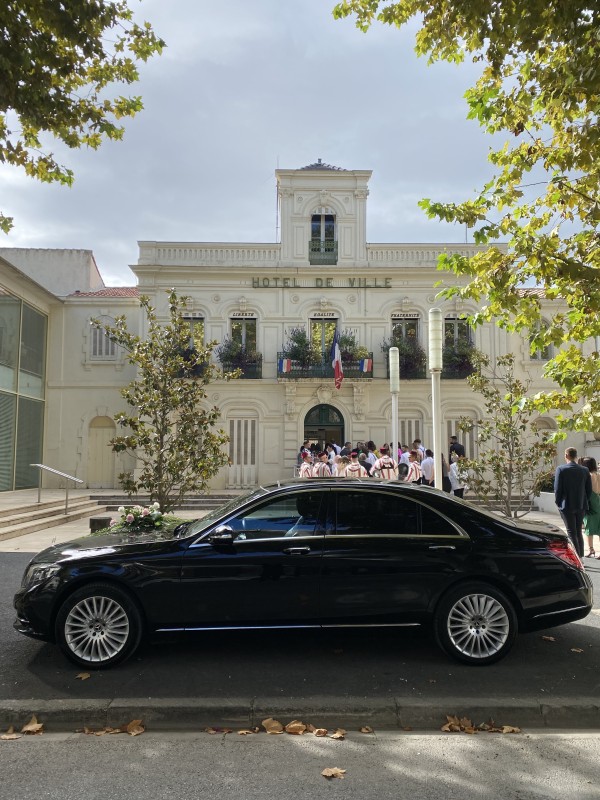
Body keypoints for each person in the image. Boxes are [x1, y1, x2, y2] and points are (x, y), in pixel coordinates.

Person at [554, 446, 592, 558]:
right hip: (581, 505)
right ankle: (581, 557)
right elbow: (588, 490)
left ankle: (576, 558)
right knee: (578, 532)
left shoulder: (561, 469)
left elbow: (557, 489)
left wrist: (558, 503)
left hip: (567, 505)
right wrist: (584, 501)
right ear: (576, 456)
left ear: (566, 455)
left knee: (571, 532)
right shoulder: (585, 470)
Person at [581, 457, 600, 558]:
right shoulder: (598, 475)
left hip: (591, 503)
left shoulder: (588, 475)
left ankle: (591, 549)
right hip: (598, 501)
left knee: (588, 528)